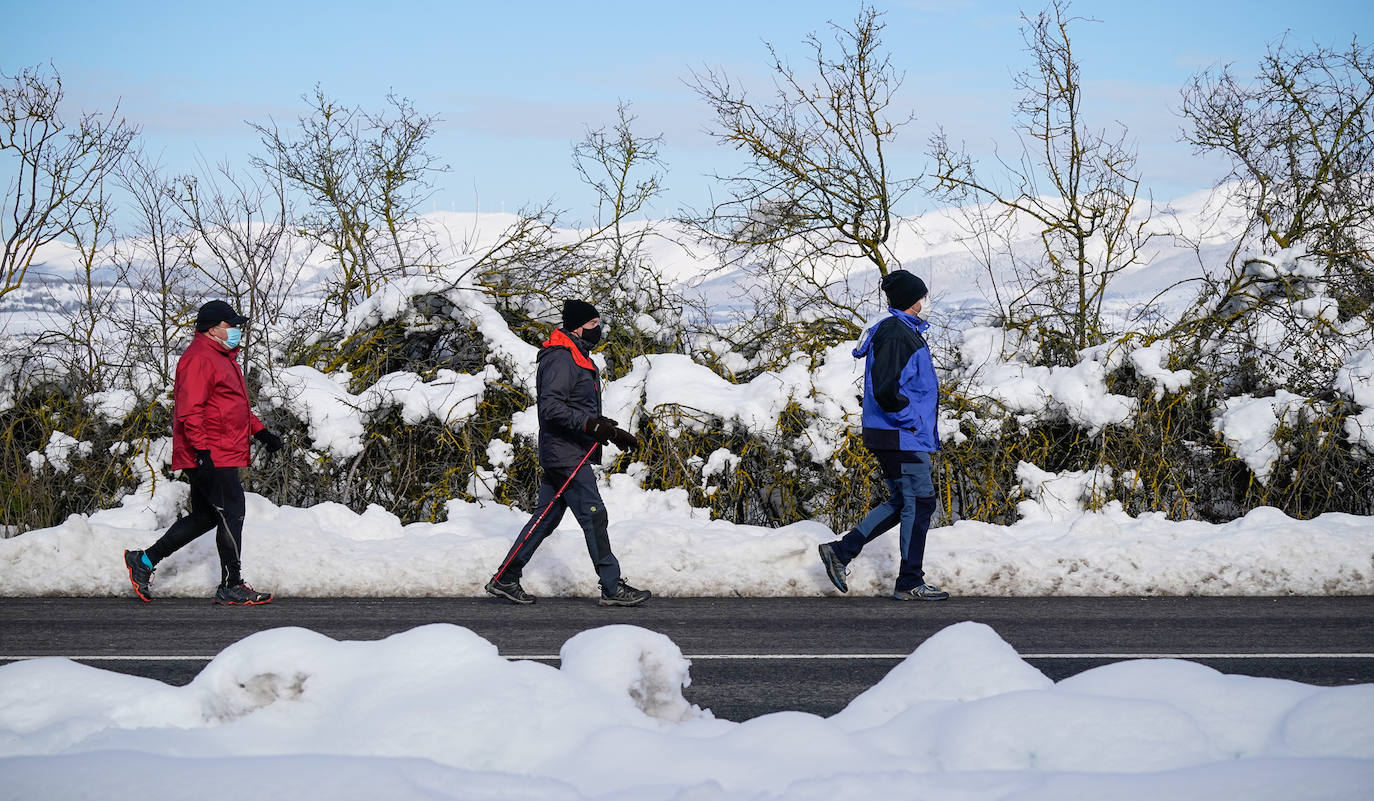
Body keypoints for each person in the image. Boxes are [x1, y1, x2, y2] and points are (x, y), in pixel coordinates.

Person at [485, 299, 651, 607]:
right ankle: (612, 587)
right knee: (594, 515)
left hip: (567, 450)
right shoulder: (561, 358)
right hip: (565, 454)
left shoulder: (575, 354)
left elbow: (574, 405)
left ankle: (505, 578)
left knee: (546, 518)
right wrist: (592, 425)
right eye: (592, 325)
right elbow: (551, 408)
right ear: (576, 327)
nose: (597, 329)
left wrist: (607, 429)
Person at [123, 300, 284, 605]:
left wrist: (260, 432)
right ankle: (231, 585)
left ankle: (142, 561)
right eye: (231, 325)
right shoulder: (199, 359)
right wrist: (201, 452)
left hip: (218, 451)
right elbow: (190, 411)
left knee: (206, 517)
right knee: (232, 512)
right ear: (213, 329)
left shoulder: (221, 358)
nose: (237, 330)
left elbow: (230, 407)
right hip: (210, 452)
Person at [817, 270, 950, 601]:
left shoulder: (902, 331)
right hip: (900, 435)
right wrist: (910, 420)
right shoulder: (896, 334)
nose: (926, 301)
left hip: (896, 435)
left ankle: (841, 551)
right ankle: (909, 582)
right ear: (911, 301)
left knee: (905, 501)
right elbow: (887, 388)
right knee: (920, 503)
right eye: (923, 296)